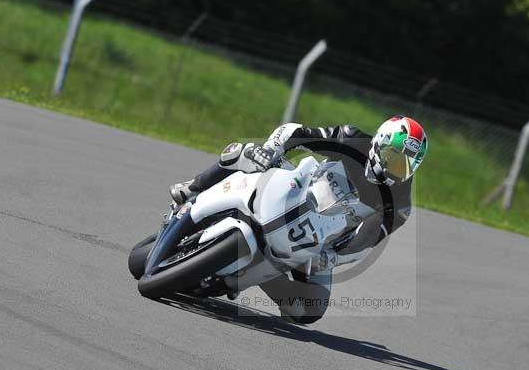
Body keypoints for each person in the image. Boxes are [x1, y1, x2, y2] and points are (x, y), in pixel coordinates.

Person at [169, 115, 428, 322]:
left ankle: (244, 278)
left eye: (406, 165)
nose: (398, 169)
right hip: (296, 190)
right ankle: (193, 187)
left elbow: (367, 242)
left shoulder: (400, 204)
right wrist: (271, 149)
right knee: (245, 155)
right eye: (394, 158)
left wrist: (335, 256)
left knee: (309, 309)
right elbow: (295, 132)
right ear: (380, 142)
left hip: (321, 241)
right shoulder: (352, 139)